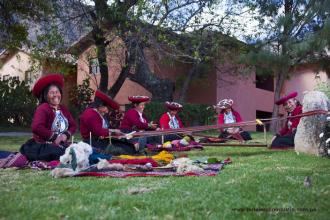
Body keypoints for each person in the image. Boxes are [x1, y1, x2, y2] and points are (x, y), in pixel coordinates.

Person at [20, 74, 77, 161]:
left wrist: (65, 135)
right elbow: (36, 127)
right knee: (66, 153)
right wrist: (54, 137)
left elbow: (73, 125)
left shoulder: (63, 109)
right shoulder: (43, 108)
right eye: (52, 93)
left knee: (80, 149)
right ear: (45, 95)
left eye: (57, 92)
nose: (55, 95)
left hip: (61, 144)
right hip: (44, 146)